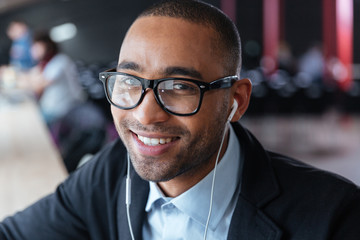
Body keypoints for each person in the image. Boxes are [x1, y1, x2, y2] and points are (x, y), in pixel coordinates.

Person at [1, 1, 360, 239]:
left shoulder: (333, 216)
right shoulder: (113, 170)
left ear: (236, 101)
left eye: (179, 87)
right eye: (129, 81)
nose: (144, 114)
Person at [24, 32, 85, 127]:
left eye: (36, 47)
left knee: (30, 124)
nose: (33, 50)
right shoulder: (45, 63)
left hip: (62, 108)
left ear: (46, 46)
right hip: (52, 107)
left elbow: (39, 85)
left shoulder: (60, 61)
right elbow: (31, 76)